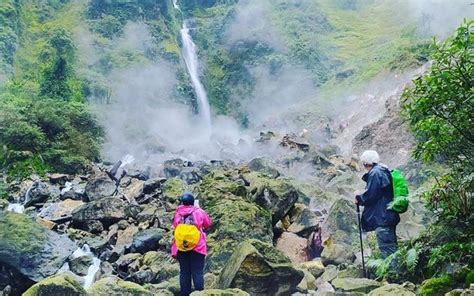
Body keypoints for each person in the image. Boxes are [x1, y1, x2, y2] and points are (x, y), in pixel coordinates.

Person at [355, 150, 400, 258]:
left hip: (382, 218)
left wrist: (358, 196)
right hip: (387, 216)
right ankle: (396, 273)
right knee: (391, 249)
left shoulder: (375, 173)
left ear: (365, 163)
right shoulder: (382, 170)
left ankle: (393, 274)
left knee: (388, 251)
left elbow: (370, 195)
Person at [171, 193, 212, 296]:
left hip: (181, 246)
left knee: (184, 272)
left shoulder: (177, 213)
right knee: (197, 271)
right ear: (193, 202)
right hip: (197, 246)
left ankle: (184, 293)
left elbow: (175, 226)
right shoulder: (199, 212)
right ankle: (199, 293)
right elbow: (208, 224)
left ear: (182, 202)